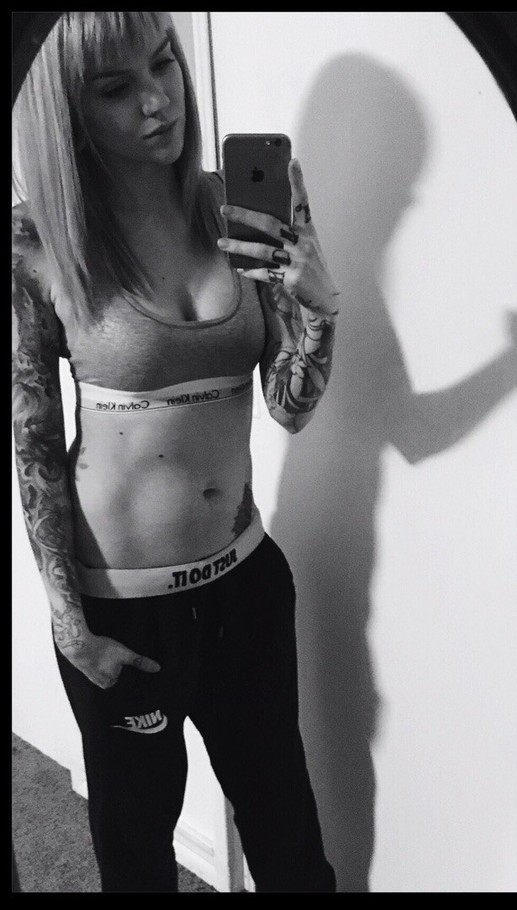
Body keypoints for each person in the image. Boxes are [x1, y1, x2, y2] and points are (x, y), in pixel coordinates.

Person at [12, 12, 340, 891]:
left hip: (246, 587)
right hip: (122, 615)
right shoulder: (36, 241)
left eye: (163, 64)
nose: (159, 101)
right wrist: (70, 626)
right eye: (116, 87)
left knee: (290, 839)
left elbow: (289, 407)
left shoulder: (241, 204)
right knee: (138, 857)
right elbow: (34, 440)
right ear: (69, 110)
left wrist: (318, 308)